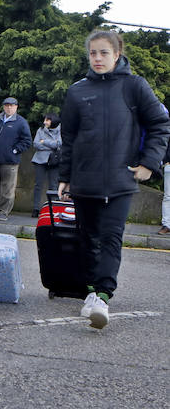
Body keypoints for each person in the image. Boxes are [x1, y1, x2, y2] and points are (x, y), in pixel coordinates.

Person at [58, 30, 170, 329]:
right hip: (84, 181)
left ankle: (102, 296)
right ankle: (93, 291)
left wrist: (149, 163)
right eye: (93, 53)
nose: (97, 58)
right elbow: (68, 137)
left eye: (104, 53)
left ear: (117, 55)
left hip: (121, 182)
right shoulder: (77, 91)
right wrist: (65, 176)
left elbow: (160, 123)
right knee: (87, 240)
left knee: (110, 238)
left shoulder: (134, 86)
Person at [0, 97, 31, 221]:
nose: (9, 108)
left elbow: (27, 141)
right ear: (3, 107)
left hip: (10, 161)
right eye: (7, 105)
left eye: (12, 105)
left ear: (16, 107)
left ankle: (3, 212)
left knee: (8, 188)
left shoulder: (21, 122)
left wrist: (15, 150)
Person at [30, 112, 61, 217]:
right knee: (38, 185)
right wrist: (50, 144)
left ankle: (54, 208)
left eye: (47, 120)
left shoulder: (60, 130)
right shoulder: (40, 130)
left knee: (54, 185)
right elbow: (36, 144)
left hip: (54, 160)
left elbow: (59, 144)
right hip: (40, 160)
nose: (44, 122)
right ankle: (36, 208)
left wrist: (44, 142)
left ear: (53, 120)